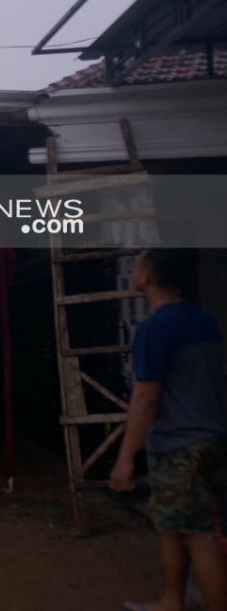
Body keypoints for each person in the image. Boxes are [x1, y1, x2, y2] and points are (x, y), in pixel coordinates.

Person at [111, 250, 227, 611]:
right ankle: (171, 600)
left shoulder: (155, 327)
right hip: (210, 438)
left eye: (138, 265)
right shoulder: (204, 320)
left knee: (196, 534)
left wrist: (125, 458)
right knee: (169, 523)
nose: (133, 271)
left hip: (180, 447)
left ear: (147, 275)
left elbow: (146, 396)